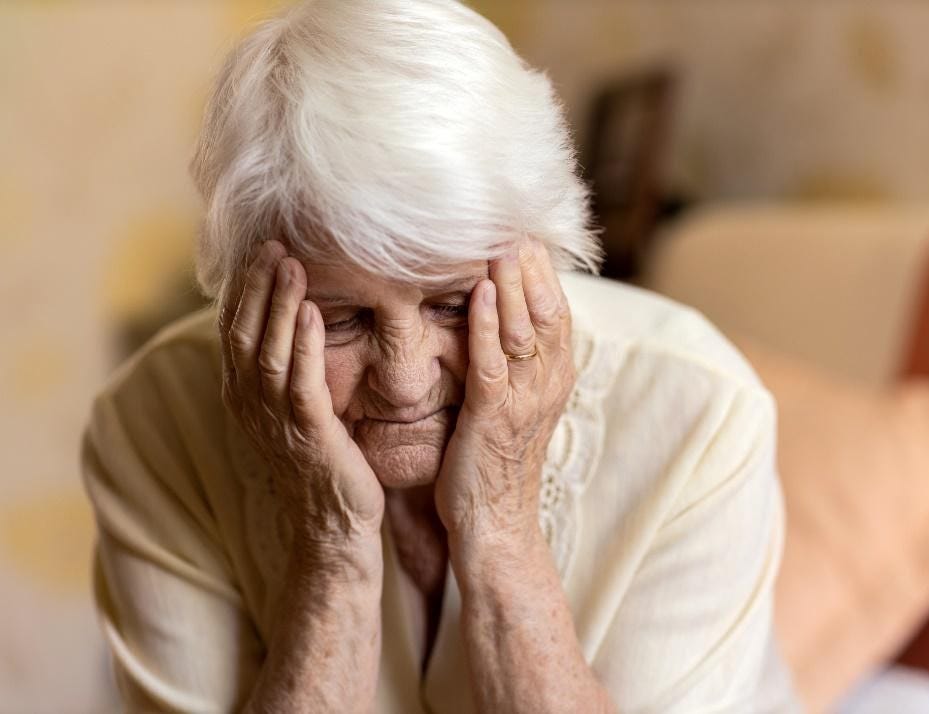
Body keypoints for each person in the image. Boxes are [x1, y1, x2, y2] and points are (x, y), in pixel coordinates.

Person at [82, 1, 799, 711]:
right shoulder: (154, 426)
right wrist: (332, 548)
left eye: (453, 305)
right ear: (245, 293)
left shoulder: (699, 413)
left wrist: (498, 529)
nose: (403, 381)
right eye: (341, 319)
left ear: (540, 257)